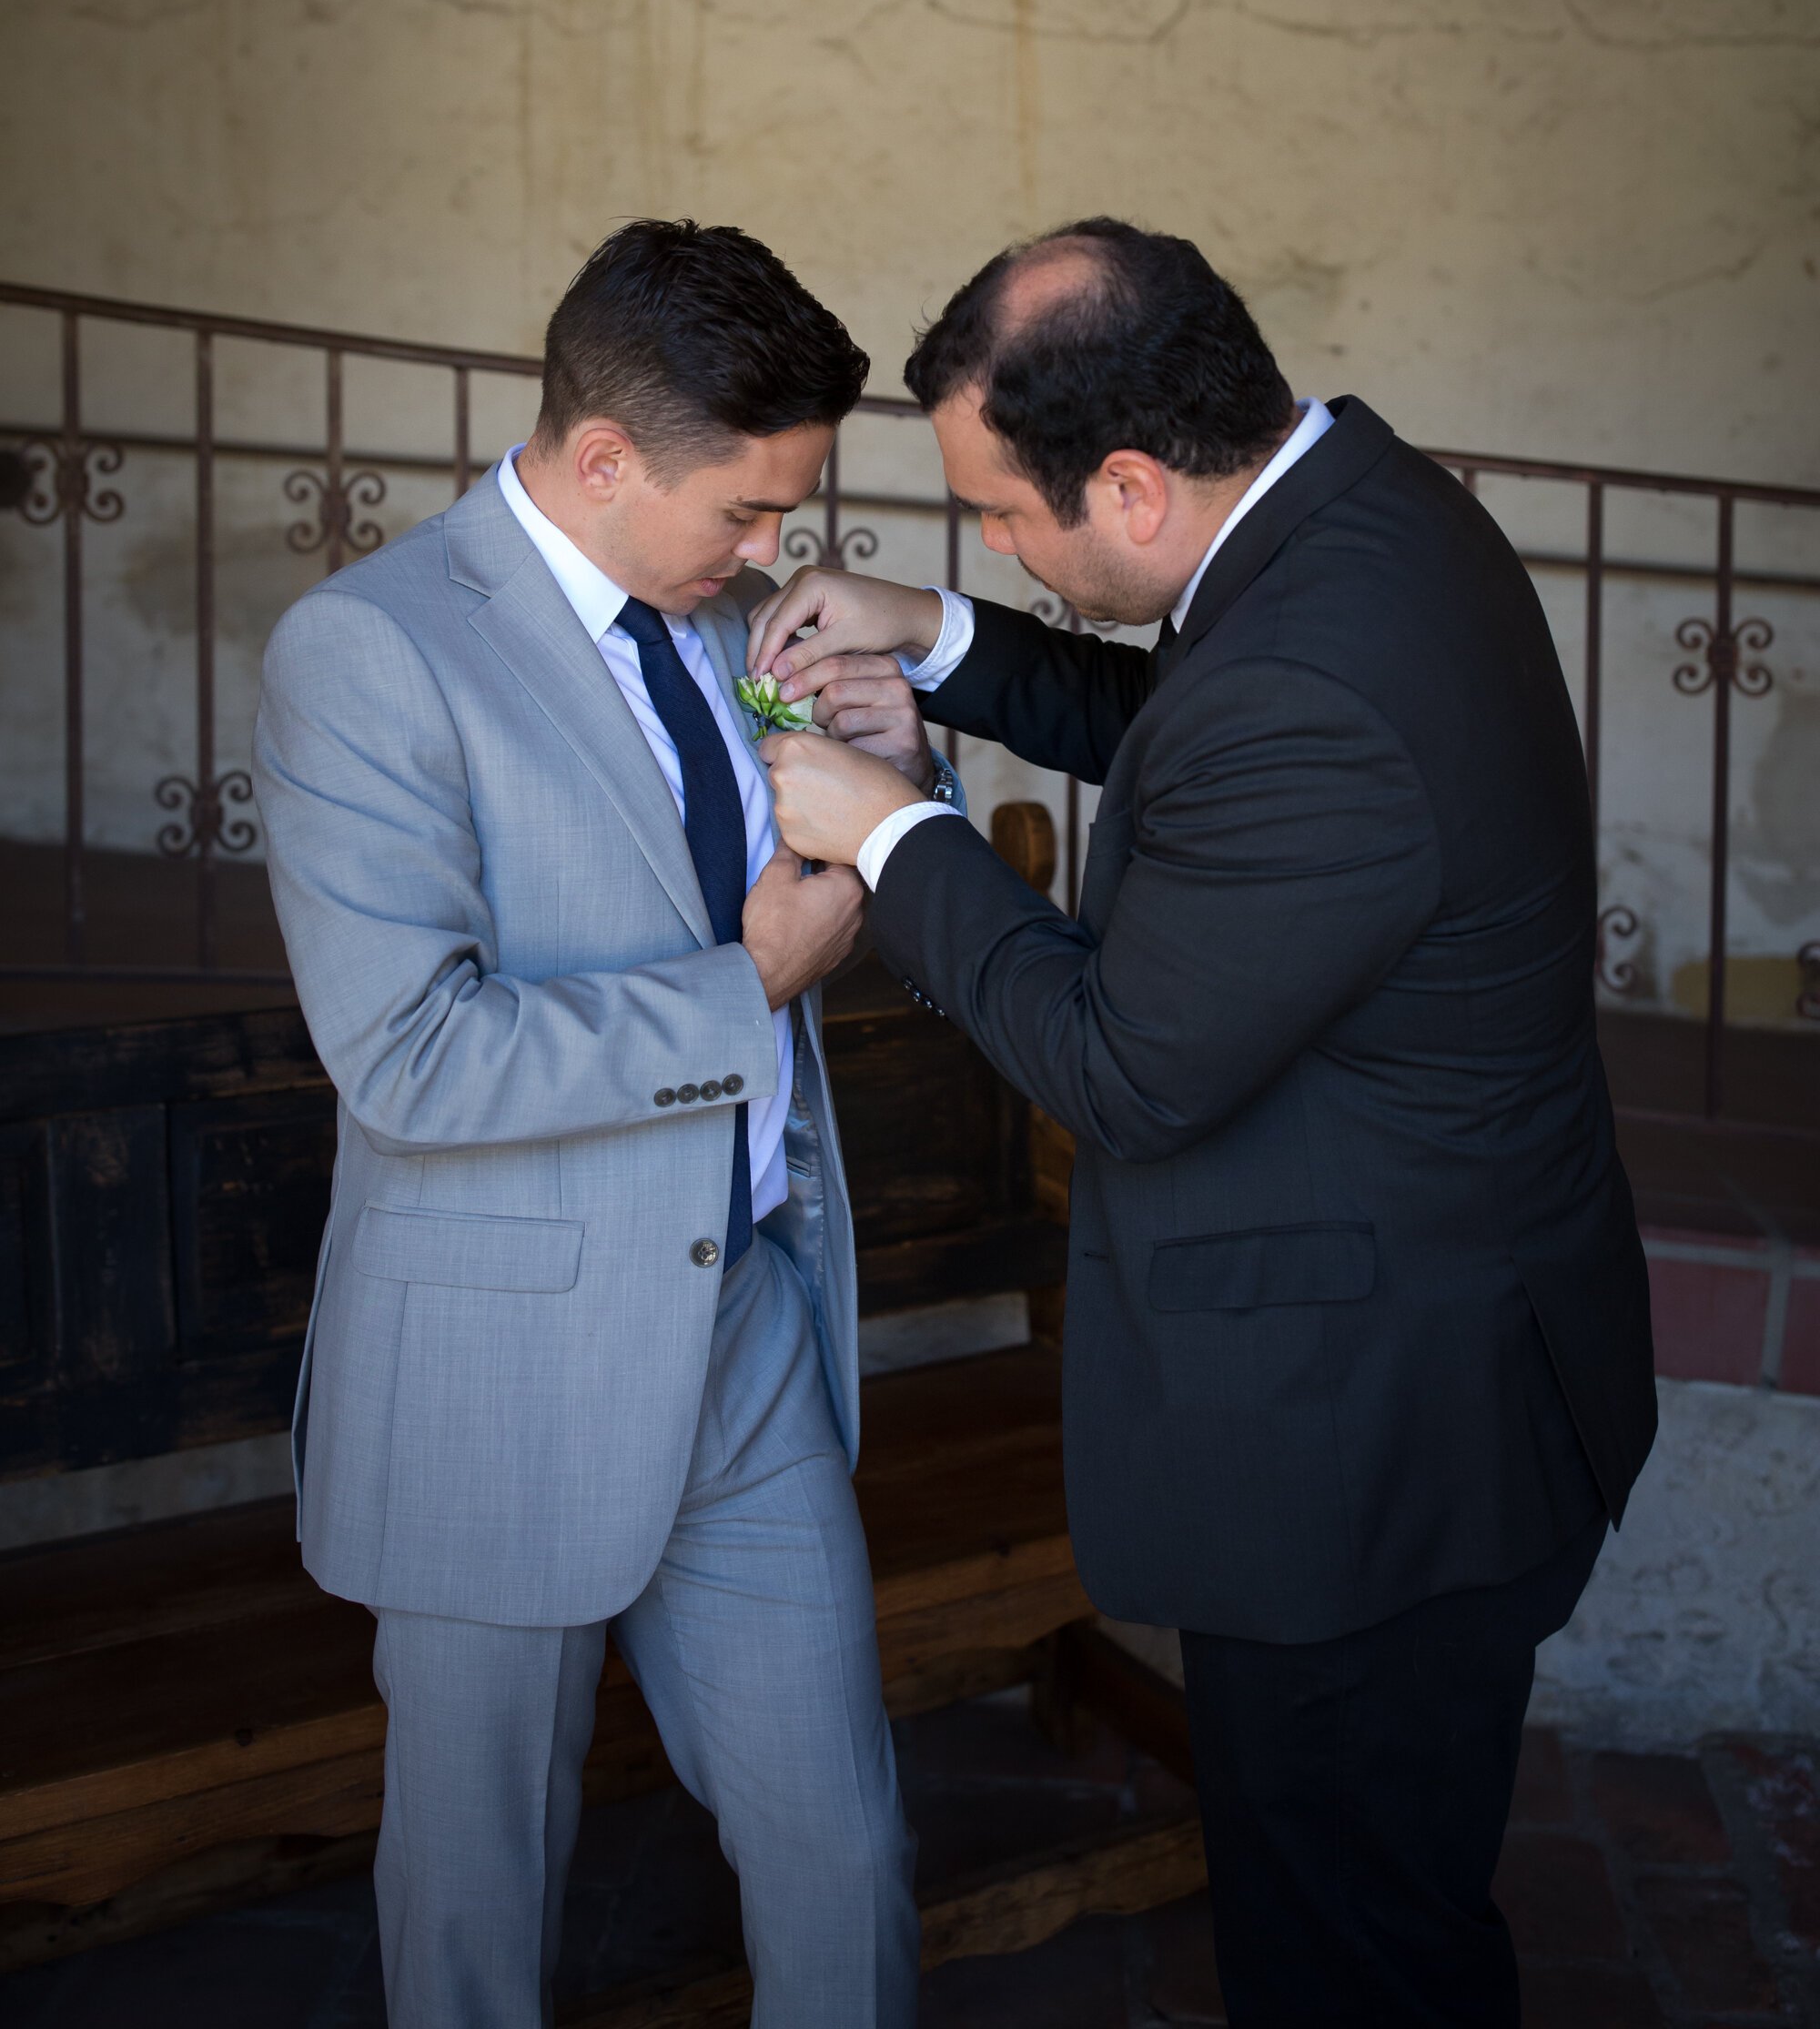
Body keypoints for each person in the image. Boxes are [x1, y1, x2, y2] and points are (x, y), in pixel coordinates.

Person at [747, 217, 1658, 2029]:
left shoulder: (1307, 684)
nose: (993, 543)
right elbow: (1196, 732)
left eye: (1004, 517)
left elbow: (1123, 1065)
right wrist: (938, 641)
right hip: (1456, 1358)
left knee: (1351, 1955)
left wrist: (893, 836)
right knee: (1369, 1909)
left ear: (1140, 486)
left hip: (1378, 1454)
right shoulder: (1358, 518)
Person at [253, 220, 939, 2029]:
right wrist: (751, 986)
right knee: (480, 1904)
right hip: (504, 1363)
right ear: (604, 457)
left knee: (845, 1853)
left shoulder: (723, 623)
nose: (774, 551)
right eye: (746, 512)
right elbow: (409, 1056)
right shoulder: (371, 652)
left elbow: (796, 845)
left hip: (745, 1335)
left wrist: (891, 771)